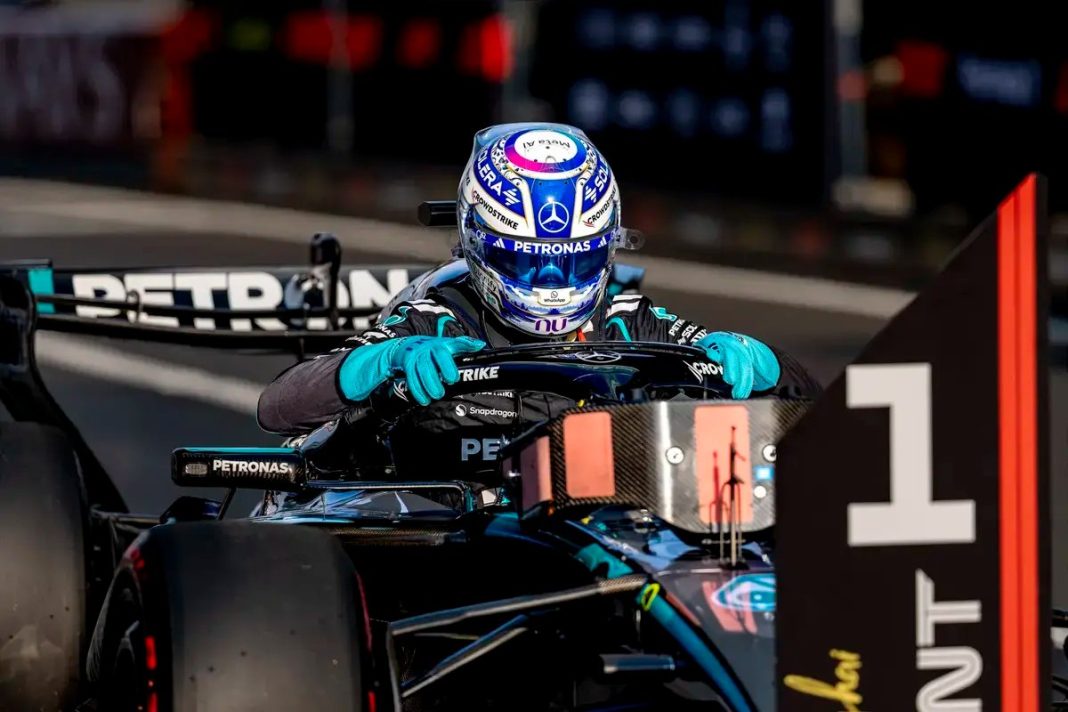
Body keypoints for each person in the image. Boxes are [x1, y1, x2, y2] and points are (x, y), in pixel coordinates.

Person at [258, 123, 817, 437]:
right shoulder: (439, 321)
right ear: (477, 244)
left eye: (573, 260)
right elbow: (279, 408)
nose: (552, 281)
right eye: (527, 261)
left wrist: (759, 361)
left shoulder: (629, 322)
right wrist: (383, 362)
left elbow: (810, 399)